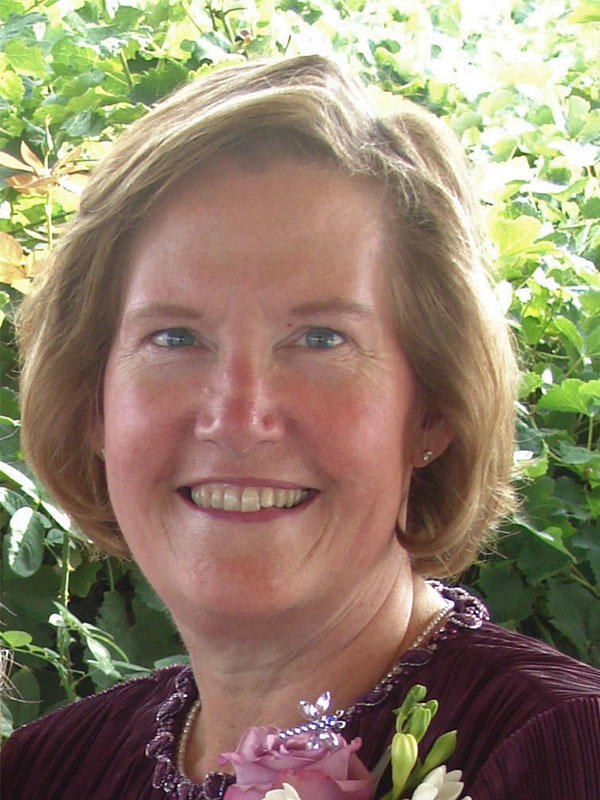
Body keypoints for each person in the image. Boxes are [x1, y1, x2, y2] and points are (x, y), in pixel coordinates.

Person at [1, 55, 598, 800]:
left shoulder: (566, 755)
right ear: (93, 401)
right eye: (175, 337)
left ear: (435, 408)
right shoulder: (41, 773)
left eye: (320, 339)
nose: (237, 417)